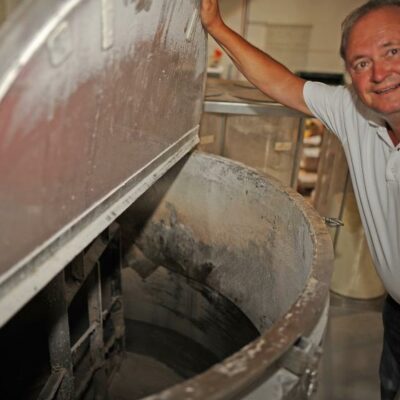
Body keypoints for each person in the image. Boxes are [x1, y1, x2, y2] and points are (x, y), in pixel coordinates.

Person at [200, 0, 400, 399]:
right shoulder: (356, 112)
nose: (379, 73)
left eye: (392, 51)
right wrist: (214, 25)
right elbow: (282, 84)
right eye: (361, 63)